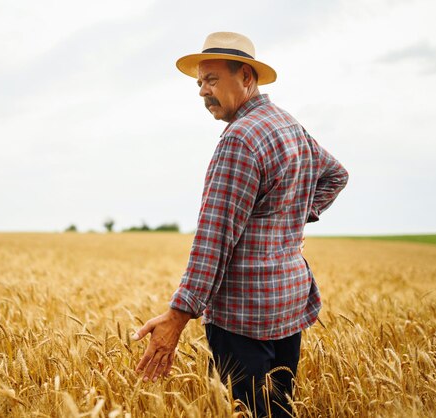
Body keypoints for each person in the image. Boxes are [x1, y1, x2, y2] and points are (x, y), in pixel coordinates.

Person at [132, 32, 348, 417]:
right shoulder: (287, 124)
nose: (202, 91)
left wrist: (177, 316)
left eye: (212, 79)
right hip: (286, 302)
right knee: (278, 409)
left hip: (242, 313)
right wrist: (291, 216)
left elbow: (213, 240)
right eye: (199, 82)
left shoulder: (240, 139)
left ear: (246, 77)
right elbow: (336, 175)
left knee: (246, 412)